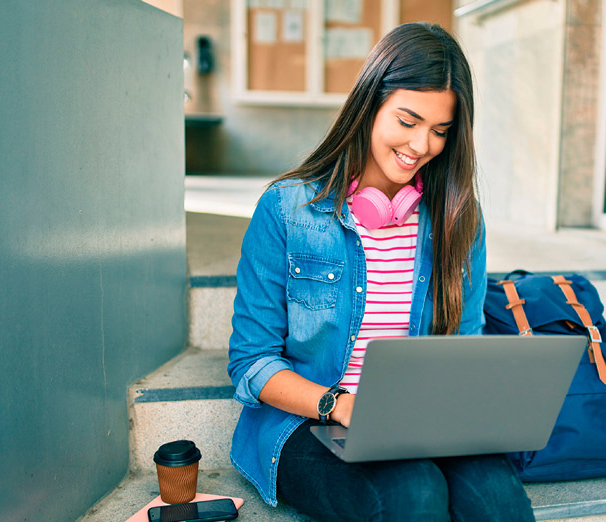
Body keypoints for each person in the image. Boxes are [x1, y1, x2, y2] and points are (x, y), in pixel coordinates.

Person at [227, 22, 535, 522]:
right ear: (370, 103)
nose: (421, 145)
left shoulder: (459, 219)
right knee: (413, 493)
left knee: (496, 497)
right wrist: (340, 405)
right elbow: (251, 362)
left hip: (423, 421)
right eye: (408, 121)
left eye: (440, 131)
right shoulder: (287, 211)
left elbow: (467, 346)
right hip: (310, 421)